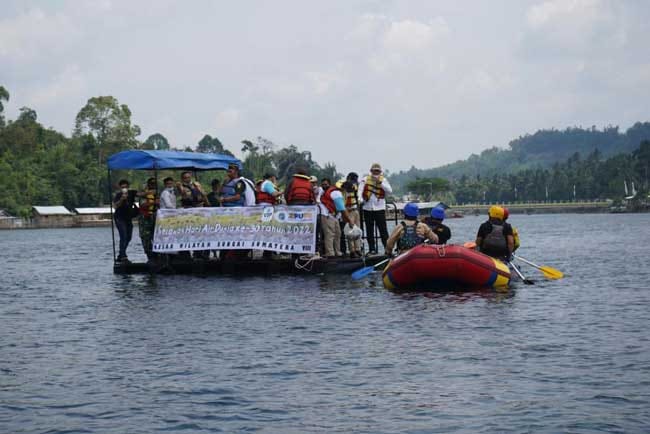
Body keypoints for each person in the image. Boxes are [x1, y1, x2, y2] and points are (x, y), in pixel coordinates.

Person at [359, 163, 393, 255]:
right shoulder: (365, 180)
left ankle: (387, 249)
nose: (376, 172)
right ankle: (372, 249)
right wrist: (360, 200)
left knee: (383, 230)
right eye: (374, 170)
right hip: (367, 208)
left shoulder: (383, 180)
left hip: (380, 208)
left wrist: (380, 183)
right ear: (371, 171)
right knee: (369, 230)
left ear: (380, 172)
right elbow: (360, 191)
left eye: (377, 171)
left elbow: (389, 191)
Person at [319, 183, 353, 258]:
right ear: (344, 189)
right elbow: (342, 209)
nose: (348, 194)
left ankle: (338, 251)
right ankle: (330, 253)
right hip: (326, 214)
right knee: (330, 234)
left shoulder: (337, 193)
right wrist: (350, 221)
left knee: (338, 233)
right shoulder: (337, 194)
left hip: (334, 216)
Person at [112, 179, 138, 262]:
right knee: (123, 236)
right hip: (119, 218)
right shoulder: (118, 195)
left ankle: (121, 254)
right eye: (123, 187)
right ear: (120, 188)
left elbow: (141, 194)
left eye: (126, 187)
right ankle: (123, 256)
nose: (124, 189)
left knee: (129, 237)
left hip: (128, 218)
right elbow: (115, 206)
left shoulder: (132, 193)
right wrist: (122, 199)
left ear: (128, 187)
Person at [337, 172, 362, 257]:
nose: (354, 182)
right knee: (350, 232)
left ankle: (358, 249)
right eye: (353, 179)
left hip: (355, 210)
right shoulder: (343, 187)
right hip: (348, 210)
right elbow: (342, 199)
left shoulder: (355, 187)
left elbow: (357, 198)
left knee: (357, 230)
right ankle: (352, 251)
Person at [138, 177, 159, 261]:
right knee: (146, 237)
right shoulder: (144, 194)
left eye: (154, 184)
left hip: (156, 217)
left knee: (157, 236)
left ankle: (159, 255)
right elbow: (142, 205)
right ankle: (150, 256)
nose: (153, 185)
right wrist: (154, 202)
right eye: (151, 184)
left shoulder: (158, 194)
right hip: (145, 218)